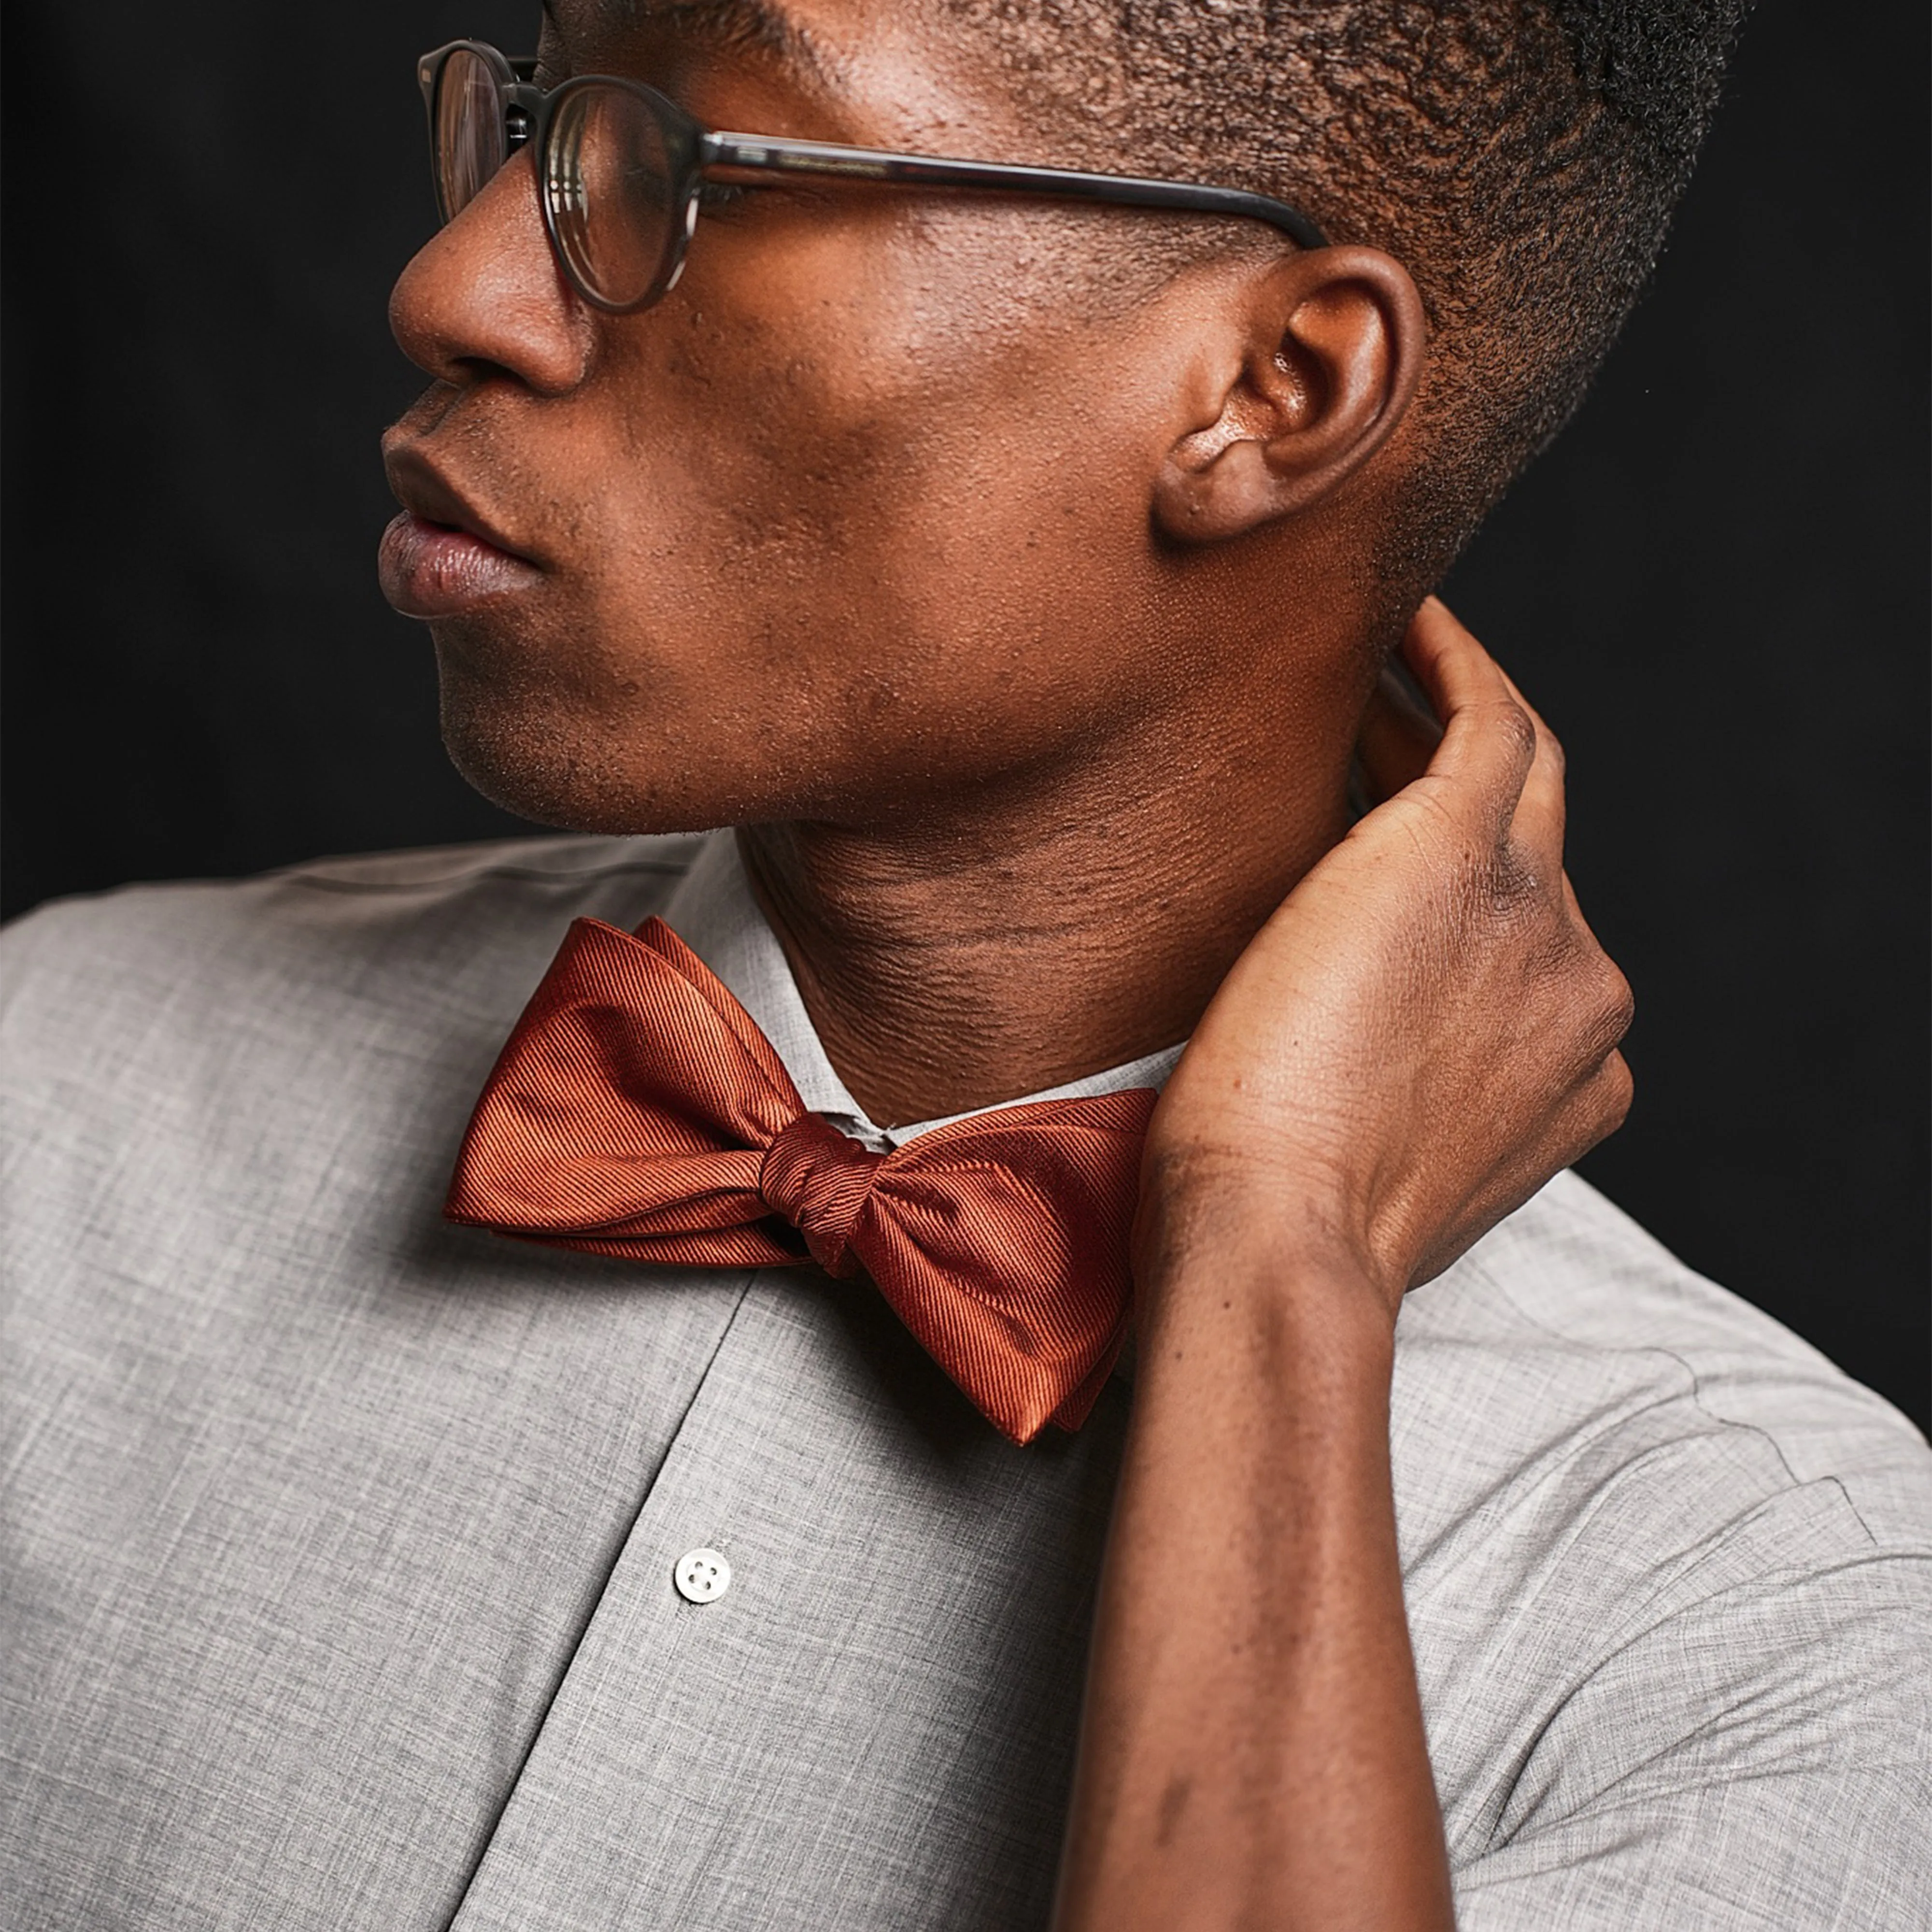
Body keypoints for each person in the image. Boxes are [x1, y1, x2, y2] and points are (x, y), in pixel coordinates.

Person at [2, 2, 1926, 1928]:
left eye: (682, 173)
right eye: (520, 118)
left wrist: (1278, 1253)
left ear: (1274, 385)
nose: (461, 286)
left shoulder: (1766, 1625)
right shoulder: (49, 1088)